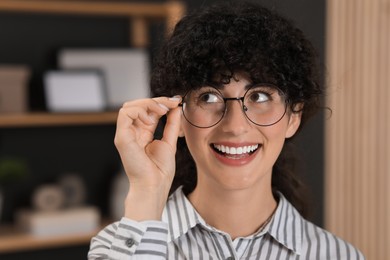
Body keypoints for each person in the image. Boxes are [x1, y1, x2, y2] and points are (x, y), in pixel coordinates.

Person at [88, 2, 365, 259]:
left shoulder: (337, 255)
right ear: (178, 116)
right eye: (208, 97)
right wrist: (146, 193)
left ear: (293, 117)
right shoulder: (116, 246)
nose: (234, 126)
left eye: (260, 97)